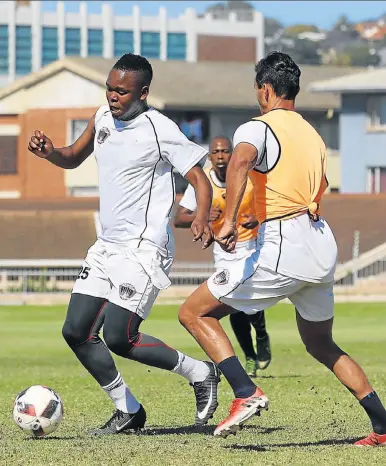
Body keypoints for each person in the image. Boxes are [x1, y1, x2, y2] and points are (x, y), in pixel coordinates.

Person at [178, 51, 386, 446]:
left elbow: (239, 164)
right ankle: (383, 424)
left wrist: (226, 220)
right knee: (320, 343)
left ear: (266, 89)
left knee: (194, 312)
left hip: (284, 243)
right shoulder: (311, 134)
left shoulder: (257, 127)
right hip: (320, 241)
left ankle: (245, 391)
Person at [27, 53, 220, 435]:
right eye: (109, 88)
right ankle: (128, 410)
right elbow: (72, 157)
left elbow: (200, 178)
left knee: (119, 336)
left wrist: (199, 215)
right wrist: (51, 152)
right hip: (106, 247)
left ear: (143, 92)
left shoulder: (159, 128)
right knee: (75, 331)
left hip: (145, 249)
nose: (113, 96)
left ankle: (201, 372)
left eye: (121, 91)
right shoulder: (101, 118)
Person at [174, 136, 271, 377]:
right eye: (216, 152)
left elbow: (270, 205)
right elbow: (180, 217)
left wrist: (257, 218)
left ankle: (261, 334)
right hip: (223, 250)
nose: (220, 156)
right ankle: (249, 356)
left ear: (232, 154)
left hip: (251, 244)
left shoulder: (247, 174)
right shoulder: (204, 180)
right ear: (209, 156)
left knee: (250, 299)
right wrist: (204, 217)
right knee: (233, 303)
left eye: (225, 152)